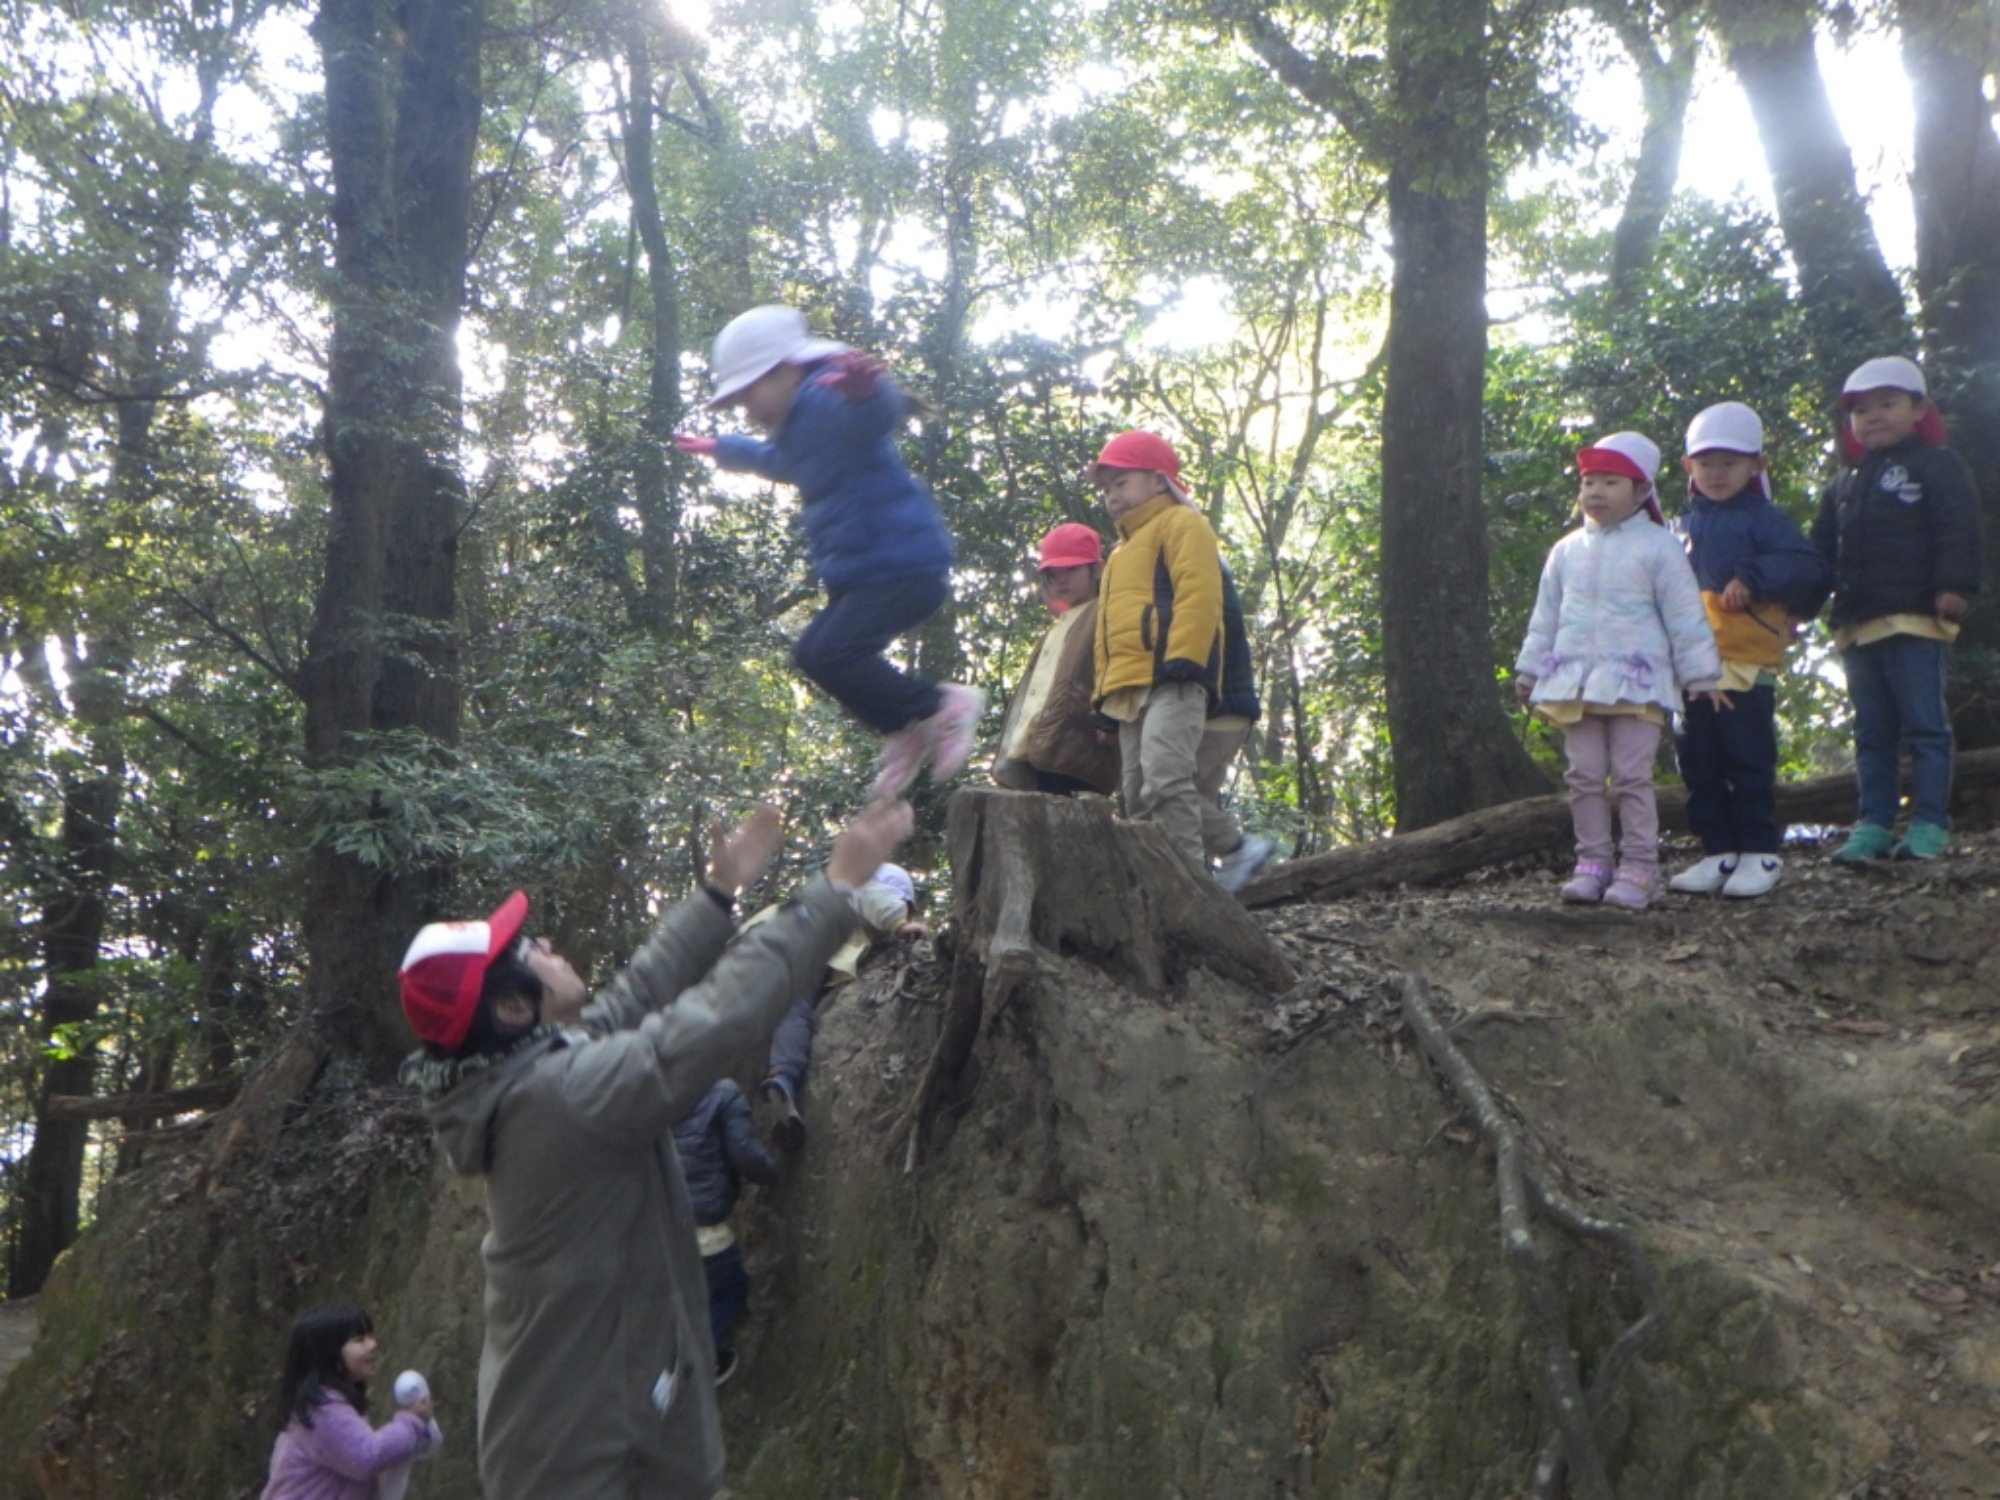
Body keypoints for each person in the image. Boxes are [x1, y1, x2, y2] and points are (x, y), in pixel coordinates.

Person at [397, 797, 913, 1500]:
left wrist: (717, 892)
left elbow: (641, 990)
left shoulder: (530, 1074)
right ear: (513, 1009)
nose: (546, 944)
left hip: (606, 1439)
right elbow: (712, 1022)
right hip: (583, 1463)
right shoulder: (561, 1095)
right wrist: (836, 889)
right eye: (529, 952)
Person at [673, 305, 982, 798]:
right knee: (817, 655)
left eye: (750, 390)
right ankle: (907, 725)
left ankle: (939, 707)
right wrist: (722, 447)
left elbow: (870, 416)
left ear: (789, 370)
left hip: (900, 564)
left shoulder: (823, 399)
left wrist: (866, 391)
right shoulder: (796, 430)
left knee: (824, 652)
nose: (747, 407)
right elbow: (777, 461)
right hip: (865, 572)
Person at [1515, 432, 1724, 911]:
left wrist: (1701, 676)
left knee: (1632, 776)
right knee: (1583, 775)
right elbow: (1545, 616)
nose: (1595, 492)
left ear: (1641, 488)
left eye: (1610, 481)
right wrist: (1529, 672)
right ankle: (1591, 862)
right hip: (1575, 683)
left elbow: (1684, 614)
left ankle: (1639, 867)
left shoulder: (1660, 547)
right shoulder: (1566, 551)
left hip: (1636, 682)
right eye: (1588, 482)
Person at [1810, 356, 1983, 862]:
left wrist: (1956, 584)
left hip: (1915, 618)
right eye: (1861, 410)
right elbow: (1820, 554)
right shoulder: (1843, 484)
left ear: (1918, 409)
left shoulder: (1938, 464)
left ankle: (1929, 821)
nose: (1874, 416)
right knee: (1871, 730)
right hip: (1856, 625)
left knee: (1925, 725)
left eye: (1888, 404)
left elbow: (1960, 526)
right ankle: (1874, 823)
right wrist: (1798, 606)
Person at [1666, 402, 1831, 898]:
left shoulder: (1764, 518)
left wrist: (1753, 579)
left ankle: (1760, 850)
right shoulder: (1679, 525)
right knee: (1697, 761)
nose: (1717, 474)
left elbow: (1807, 567)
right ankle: (1717, 851)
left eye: (1730, 463)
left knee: (1747, 756)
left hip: (1744, 661)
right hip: (1690, 667)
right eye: (1706, 463)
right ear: (1687, 466)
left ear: (1756, 466)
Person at [1089, 430, 1226, 878]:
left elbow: (1199, 590)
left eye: (1121, 483)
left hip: (1175, 676)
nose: (1112, 497)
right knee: (1135, 793)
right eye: (1107, 489)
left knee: (1166, 778)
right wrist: (1104, 698)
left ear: (1158, 480)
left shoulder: (1182, 524)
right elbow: (1107, 630)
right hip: (1129, 687)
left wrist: (1185, 656)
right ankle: (1151, 890)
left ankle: (1191, 887)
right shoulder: (1120, 553)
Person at [755, 862, 925, 1151]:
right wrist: (900, 923)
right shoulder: (862, 888)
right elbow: (875, 897)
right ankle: (782, 1075)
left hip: (762, 953)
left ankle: (783, 1103)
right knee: (796, 1007)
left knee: (790, 1007)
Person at [991, 521, 1120, 797]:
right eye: (1053, 572)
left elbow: (1116, 667)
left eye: (1072, 569)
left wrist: (1110, 720)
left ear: (1097, 569)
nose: (1061, 579)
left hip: (1079, 750)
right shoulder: (1060, 623)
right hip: (1042, 750)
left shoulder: (1105, 611)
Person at [259, 1303, 437, 1500]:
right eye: (359, 1340)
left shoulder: (323, 1405)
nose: (372, 1345)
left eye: (370, 1335)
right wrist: (411, 1423)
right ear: (329, 1354)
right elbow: (366, 1458)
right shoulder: (324, 1411)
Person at [671, 1079, 777, 1389]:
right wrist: (773, 1172)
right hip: (705, 1231)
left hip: (659, 1230)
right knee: (729, 1288)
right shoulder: (721, 1093)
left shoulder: (652, 1092)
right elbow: (747, 1156)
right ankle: (702, 1359)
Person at [1201, 562, 1273, 895]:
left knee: (1173, 789)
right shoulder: (1211, 573)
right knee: (1189, 793)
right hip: (1221, 708)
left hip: (1219, 709)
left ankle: (1237, 849)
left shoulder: (1205, 574)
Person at [378, 1370, 445, 1500]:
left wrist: (426, 1418)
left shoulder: (409, 1432)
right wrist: (427, 1418)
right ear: (425, 1401)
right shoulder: (402, 1436)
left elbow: (434, 1443)